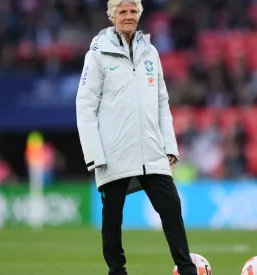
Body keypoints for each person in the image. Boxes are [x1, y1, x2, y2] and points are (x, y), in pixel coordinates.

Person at [75, 1, 197, 275]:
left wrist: (170, 147)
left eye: (133, 12)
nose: (128, 17)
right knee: (112, 215)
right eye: (123, 12)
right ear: (112, 16)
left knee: (171, 206)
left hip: (151, 150)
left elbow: (162, 103)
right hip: (113, 151)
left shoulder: (151, 53)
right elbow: (84, 105)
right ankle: (117, 271)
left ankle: (186, 268)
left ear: (139, 16)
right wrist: (94, 154)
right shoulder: (97, 54)